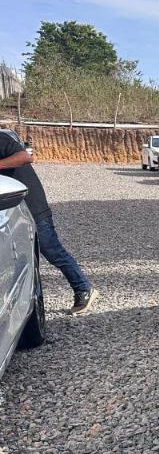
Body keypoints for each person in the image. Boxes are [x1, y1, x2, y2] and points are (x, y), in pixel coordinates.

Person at [0, 128, 98, 315]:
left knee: (53, 251)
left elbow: (25, 157)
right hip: (13, 211)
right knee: (19, 257)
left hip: (33, 208)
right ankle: (18, 303)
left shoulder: (1, 139)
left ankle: (83, 288)